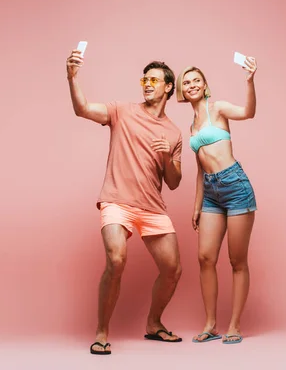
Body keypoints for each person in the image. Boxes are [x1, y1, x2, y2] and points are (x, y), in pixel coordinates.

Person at [66, 49, 184, 355]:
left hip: (152, 207)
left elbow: (173, 182)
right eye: (145, 79)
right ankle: (102, 332)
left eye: (154, 80)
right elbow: (82, 109)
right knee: (116, 259)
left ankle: (154, 324)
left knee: (173, 269)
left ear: (168, 87)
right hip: (117, 201)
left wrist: (167, 156)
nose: (147, 84)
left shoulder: (173, 132)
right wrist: (72, 77)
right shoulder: (122, 111)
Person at [176, 57, 258, 344]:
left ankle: (234, 325)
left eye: (196, 80)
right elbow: (200, 171)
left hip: (235, 185)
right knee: (205, 257)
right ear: (181, 91)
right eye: (186, 82)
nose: (192, 85)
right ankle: (210, 324)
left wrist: (249, 81)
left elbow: (248, 112)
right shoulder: (192, 127)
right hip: (211, 191)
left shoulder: (218, 108)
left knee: (237, 260)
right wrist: (197, 206)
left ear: (205, 85)